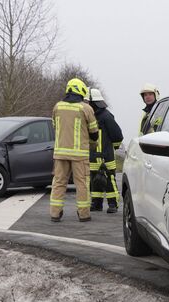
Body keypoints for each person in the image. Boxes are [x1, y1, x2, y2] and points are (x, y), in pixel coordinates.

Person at [50, 78, 99, 222]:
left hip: (60, 154)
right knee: (82, 184)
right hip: (80, 155)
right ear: (81, 91)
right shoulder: (85, 108)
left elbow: (54, 126)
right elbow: (94, 132)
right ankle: (83, 214)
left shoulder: (57, 107)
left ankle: (55, 213)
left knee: (58, 183)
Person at [88, 88, 123, 213]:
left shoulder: (106, 116)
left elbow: (117, 136)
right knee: (94, 180)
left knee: (109, 180)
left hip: (106, 156)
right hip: (93, 156)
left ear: (94, 103)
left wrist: (112, 147)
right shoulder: (90, 116)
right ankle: (96, 204)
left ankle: (113, 204)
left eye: (88, 102)